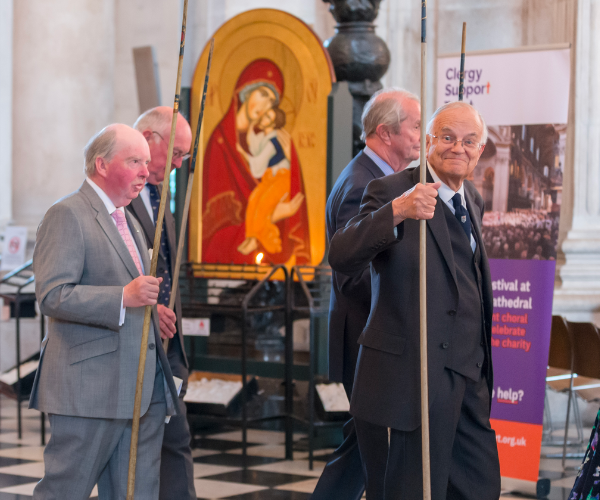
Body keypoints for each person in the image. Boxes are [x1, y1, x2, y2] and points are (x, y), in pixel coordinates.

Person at [329, 101, 501, 499]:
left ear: (479, 150)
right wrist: (397, 211)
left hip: (468, 376)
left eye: (469, 141)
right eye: (447, 138)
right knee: (411, 490)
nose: (458, 148)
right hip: (412, 378)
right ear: (427, 143)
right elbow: (342, 255)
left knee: (478, 487)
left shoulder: (471, 198)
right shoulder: (391, 190)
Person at [31, 124, 180, 499]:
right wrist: (122, 298)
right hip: (89, 388)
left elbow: (129, 288)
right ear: (101, 164)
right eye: (134, 161)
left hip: (141, 387)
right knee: (66, 491)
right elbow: (52, 295)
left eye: (147, 162)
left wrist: (151, 310)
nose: (146, 172)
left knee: (136, 492)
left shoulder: (126, 217)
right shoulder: (67, 214)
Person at [313, 88, 421, 500]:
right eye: (413, 126)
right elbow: (351, 272)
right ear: (385, 132)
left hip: (372, 338)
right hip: (365, 338)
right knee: (373, 451)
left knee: (362, 447)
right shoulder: (365, 184)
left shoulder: (376, 177)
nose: (419, 136)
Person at [129, 107, 196, 500]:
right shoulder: (120, 197)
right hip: (136, 341)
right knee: (135, 450)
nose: (177, 164)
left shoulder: (160, 192)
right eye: (174, 153)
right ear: (148, 138)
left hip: (169, 345)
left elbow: (167, 264)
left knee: (177, 438)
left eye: (184, 157)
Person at [202, 58, 310, 265]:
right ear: (244, 90)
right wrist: (271, 216)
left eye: (271, 101)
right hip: (231, 259)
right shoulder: (221, 141)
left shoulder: (271, 138)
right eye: (262, 94)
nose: (265, 105)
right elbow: (213, 229)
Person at [236, 106, 299, 256]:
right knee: (253, 199)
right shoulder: (265, 136)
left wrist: (242, 153)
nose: (263, 119)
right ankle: (251, 237)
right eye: (264, 116)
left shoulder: (273, 140)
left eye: (268, 118)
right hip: (270, 177)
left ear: (273, 123)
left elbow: (259, 162)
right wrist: (251, 125)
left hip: (282, 178)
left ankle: (265, 242)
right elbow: (254, 143)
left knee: (264, 203)